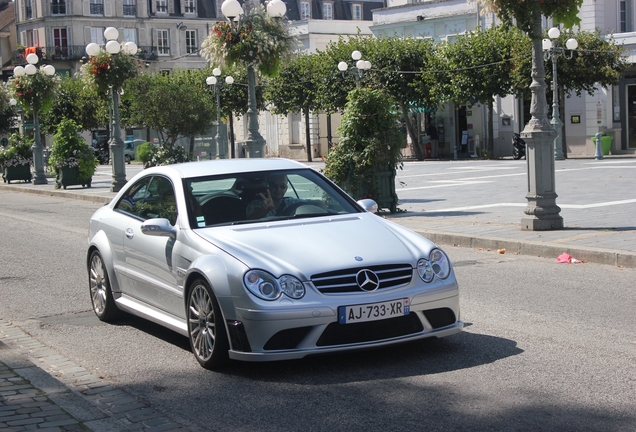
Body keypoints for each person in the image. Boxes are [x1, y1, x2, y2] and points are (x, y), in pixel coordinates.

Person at [246, 173, 325, 219]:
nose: (278, 189)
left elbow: (319, 204)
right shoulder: (256, 204)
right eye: (274, 185)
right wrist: (264, 210)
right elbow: (250, 219)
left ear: (286, 189)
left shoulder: (290, 202)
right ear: (268, 186)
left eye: (282, 186)